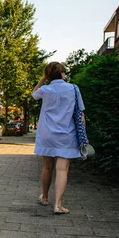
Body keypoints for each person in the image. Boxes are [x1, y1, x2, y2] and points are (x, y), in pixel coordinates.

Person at [32, 62, 85, 214]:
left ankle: (44, 197)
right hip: (67, 135)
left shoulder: (45, 89)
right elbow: (80, 113)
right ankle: (58, 205)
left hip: (47, 134)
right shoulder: (73, 88)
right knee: (62, 170)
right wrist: (83, 135)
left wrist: (43, 79)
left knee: (47, 167)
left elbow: (33, 94)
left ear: (48, 75)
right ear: (62, 72)